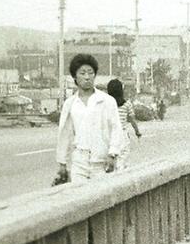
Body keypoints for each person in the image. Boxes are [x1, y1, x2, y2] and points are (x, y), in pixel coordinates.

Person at [55, 54, 123, 184]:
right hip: (79, 163)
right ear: (75, 77)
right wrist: (62, 163)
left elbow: (116, 128)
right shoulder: (70, 104)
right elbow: (64, 133)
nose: (87, 77)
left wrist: (113, 153)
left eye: (90, 73)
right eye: (82, 73)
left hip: (102, 163)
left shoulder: (107, 101)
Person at [106, 78, 141, 171]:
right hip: (122, 134)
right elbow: (132, 120)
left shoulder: (106, 104)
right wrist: (137, 132)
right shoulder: (127, 104)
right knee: (122, 158)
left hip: (109, 134)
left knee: (110, 157)